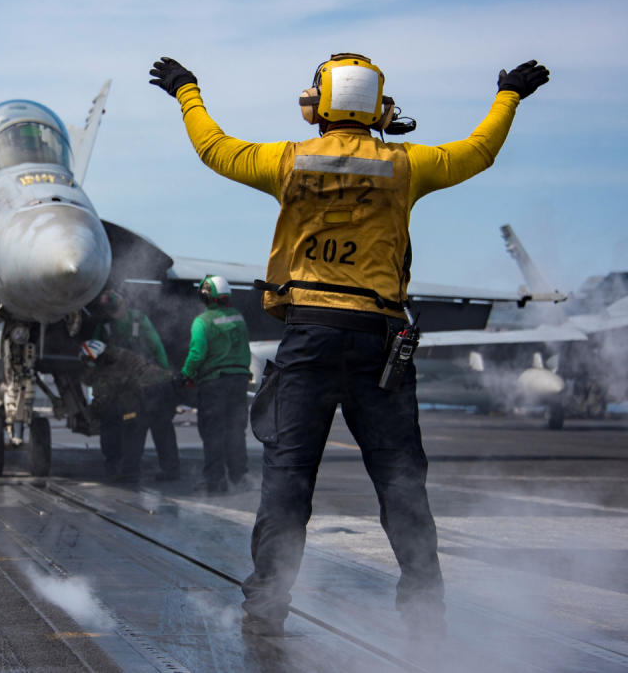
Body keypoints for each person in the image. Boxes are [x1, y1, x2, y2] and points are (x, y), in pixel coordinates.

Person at [150, 54, 549, 638]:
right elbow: (478, 150)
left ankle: (266, 610)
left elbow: (215, 148)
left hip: (309, 338)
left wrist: (187, 91)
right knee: (399, 481)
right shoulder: (407, 164)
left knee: (288, 479)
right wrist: (508, 95)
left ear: (322, 104)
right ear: (379, 108)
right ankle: (423, 614)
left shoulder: (288, 161)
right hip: (379, 341)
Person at [92, 289, 179, 480]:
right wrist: (166, 373)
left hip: (137, 387)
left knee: (133, 427)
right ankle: (170, 469)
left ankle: (129, 472)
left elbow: (94, 356)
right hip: (153, 382)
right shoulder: (139, 319)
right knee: (161, 428)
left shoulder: (105, 327)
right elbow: (157, 346)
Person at [179, 275, 252, 494]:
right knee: (236, 431)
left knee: (213, 433)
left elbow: (197, 353)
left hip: (214, 384)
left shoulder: (203, 321)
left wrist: (186, 374)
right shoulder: (238, 318)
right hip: (239, 382)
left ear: (205, 296)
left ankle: (215, 481)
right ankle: (239, 479)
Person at [80, 339, 180, 483]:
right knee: (163, 432)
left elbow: (103, 399)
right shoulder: (122, 354)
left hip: (147, 392)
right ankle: (171, 470)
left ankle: (130, 473)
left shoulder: (108, 369)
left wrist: (91, 414)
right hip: (165, 387)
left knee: (133, 431)